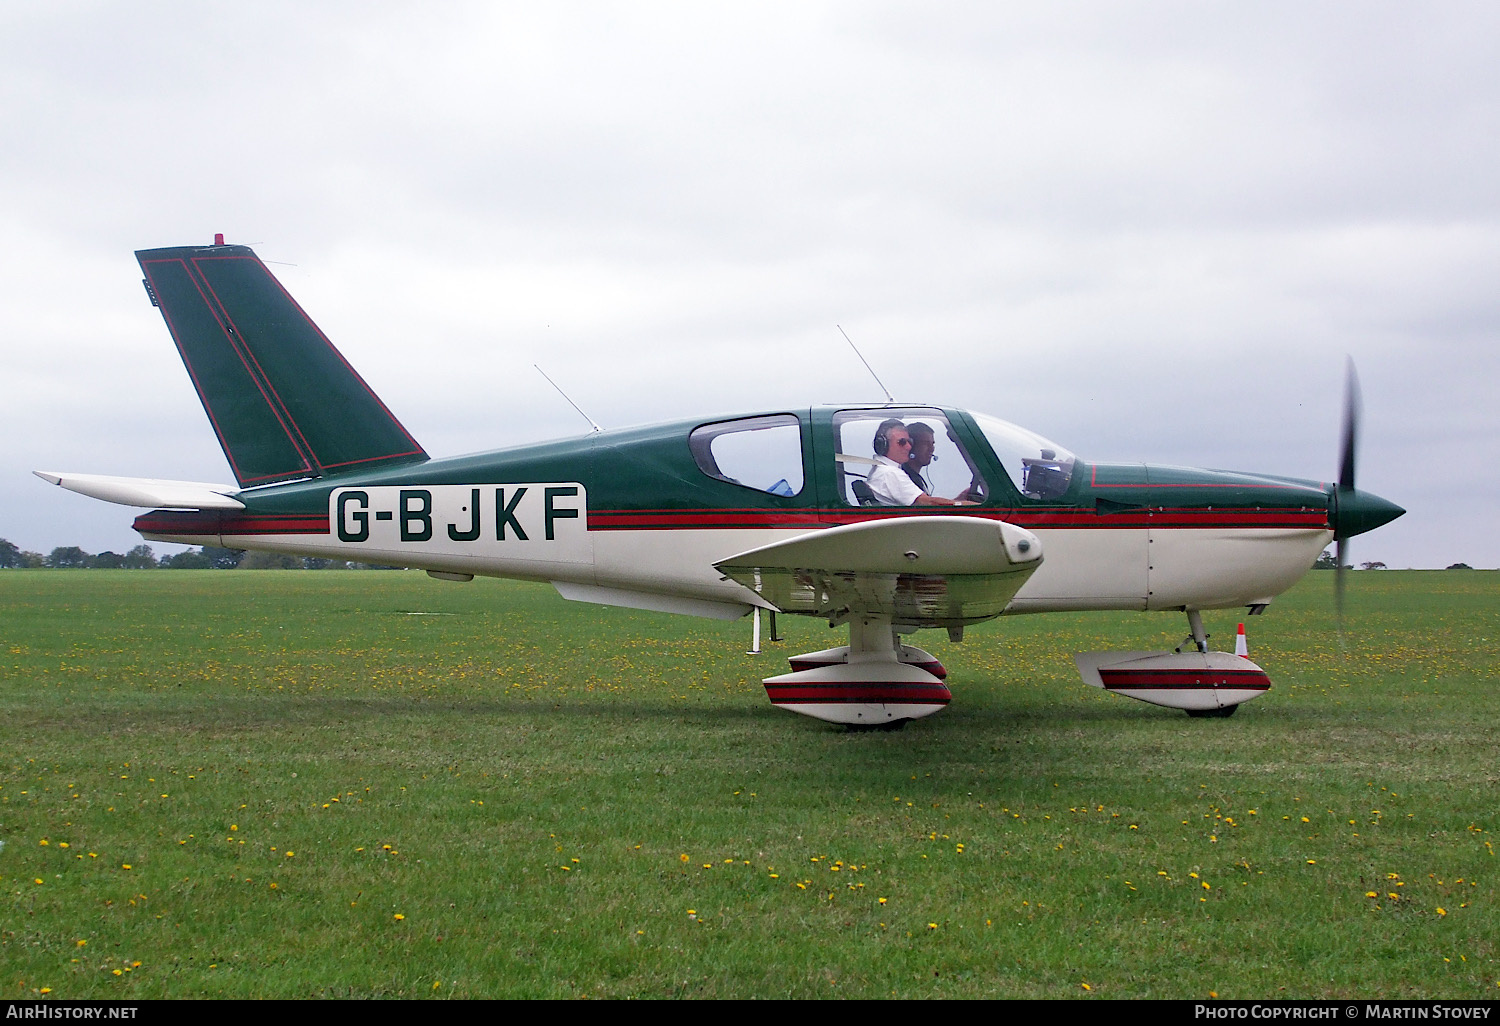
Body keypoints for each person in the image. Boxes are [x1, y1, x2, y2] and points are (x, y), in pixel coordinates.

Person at [865, 419, 972, 507]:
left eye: (909, 442)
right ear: (883, 444)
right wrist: (965, 505)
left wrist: (959, 499)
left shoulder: (882, 470)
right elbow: (927, 503)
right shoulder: (890, 473)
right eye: (902, 442)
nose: (908, 447)